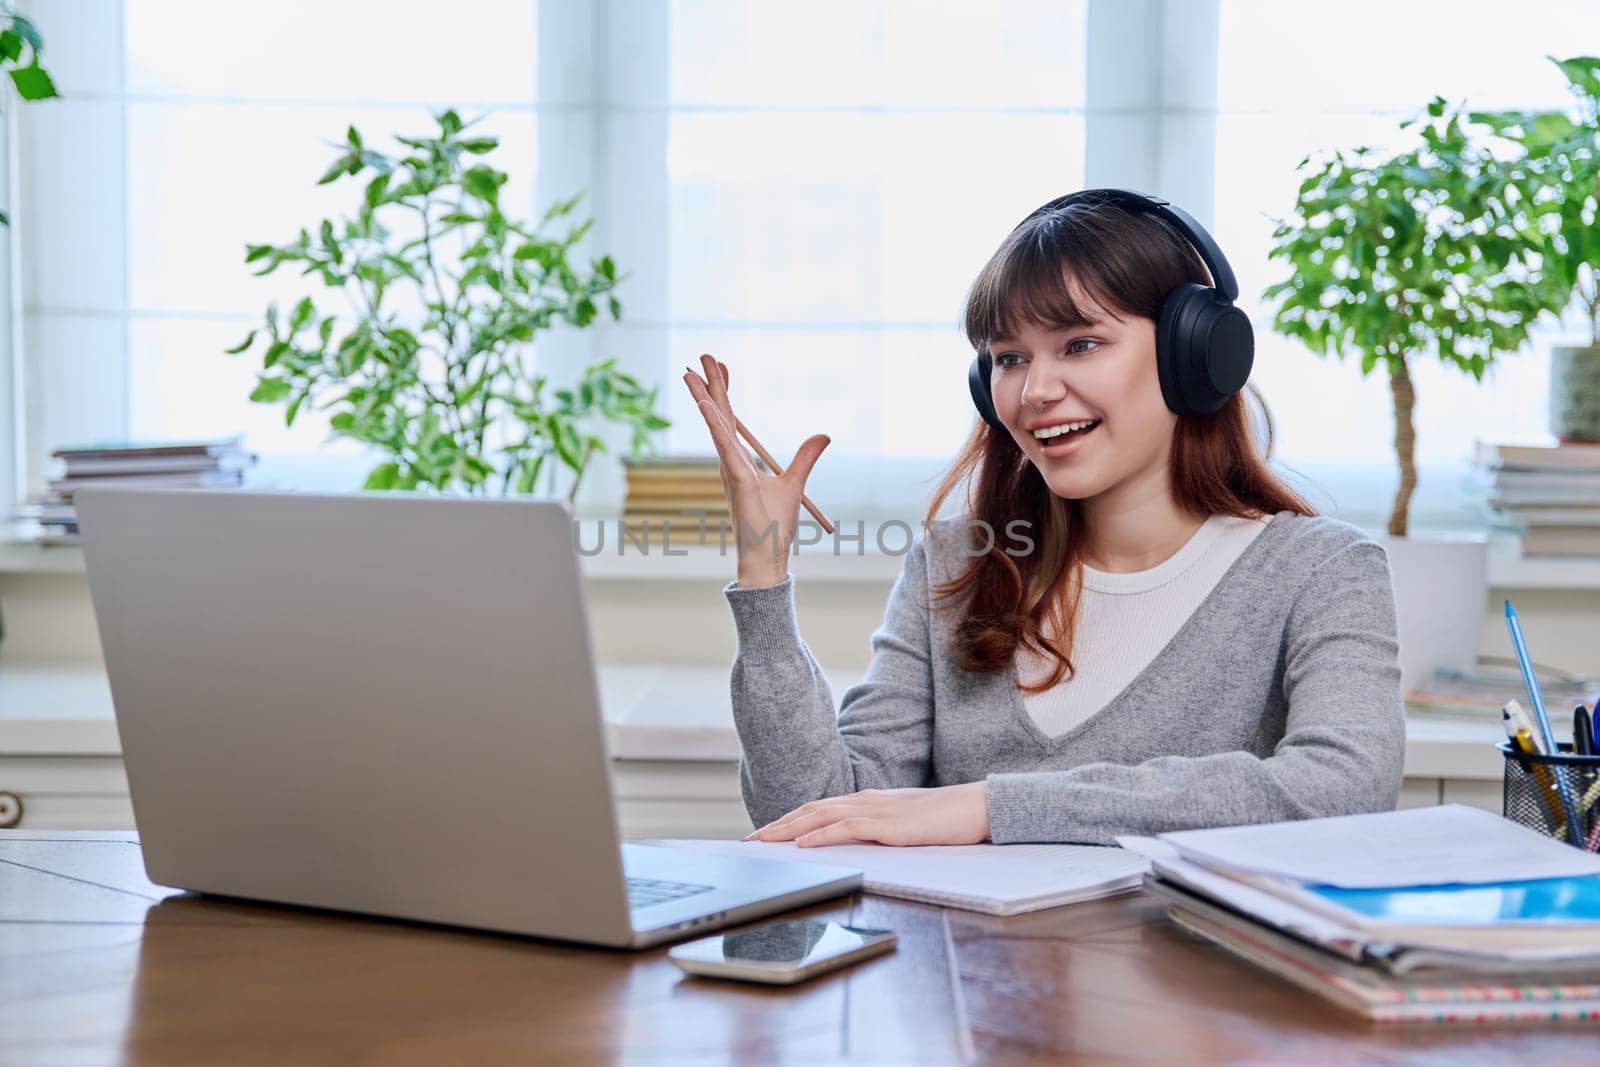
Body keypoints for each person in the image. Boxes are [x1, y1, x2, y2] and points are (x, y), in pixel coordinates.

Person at [680, 189, 1405, 848]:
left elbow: (1343, 789)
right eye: (1008, 358)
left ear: (1196, 353)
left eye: (1079, 345)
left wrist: (992, 808)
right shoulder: (956, 562)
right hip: (971, 983)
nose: (1035, 391)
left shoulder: (1319, 570)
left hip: (1194, 985)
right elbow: (812, 815)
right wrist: (763, 568)